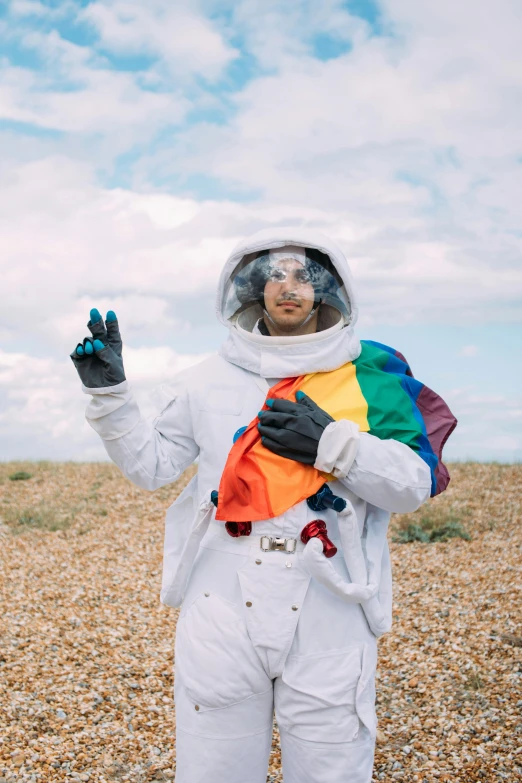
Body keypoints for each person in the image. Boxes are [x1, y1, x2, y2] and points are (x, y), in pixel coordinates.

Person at [71, 227, 454, 783]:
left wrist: (333, 444)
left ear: (328, 289)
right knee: (213, 768)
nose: (288, 286)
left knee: (332, 767)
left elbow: (413, 483)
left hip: (331, 597)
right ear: (250, 288)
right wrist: (110, 398)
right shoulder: (205, 380)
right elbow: (150, 467)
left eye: (304, 274)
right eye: (273, 274)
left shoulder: (367, 377)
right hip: (222, 598)